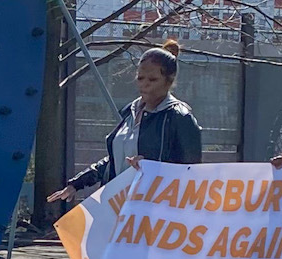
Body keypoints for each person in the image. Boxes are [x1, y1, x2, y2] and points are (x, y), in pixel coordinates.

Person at [50, 39, 203, 202]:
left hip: (153, 210)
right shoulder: (130, 111)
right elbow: (115, 160)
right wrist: (77, 184)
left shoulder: (180, 117)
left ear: (169, 80)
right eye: (140, 78)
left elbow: (190, 173)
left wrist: (151, 168)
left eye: (152, 80)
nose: (144, 85)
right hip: (116, 204)